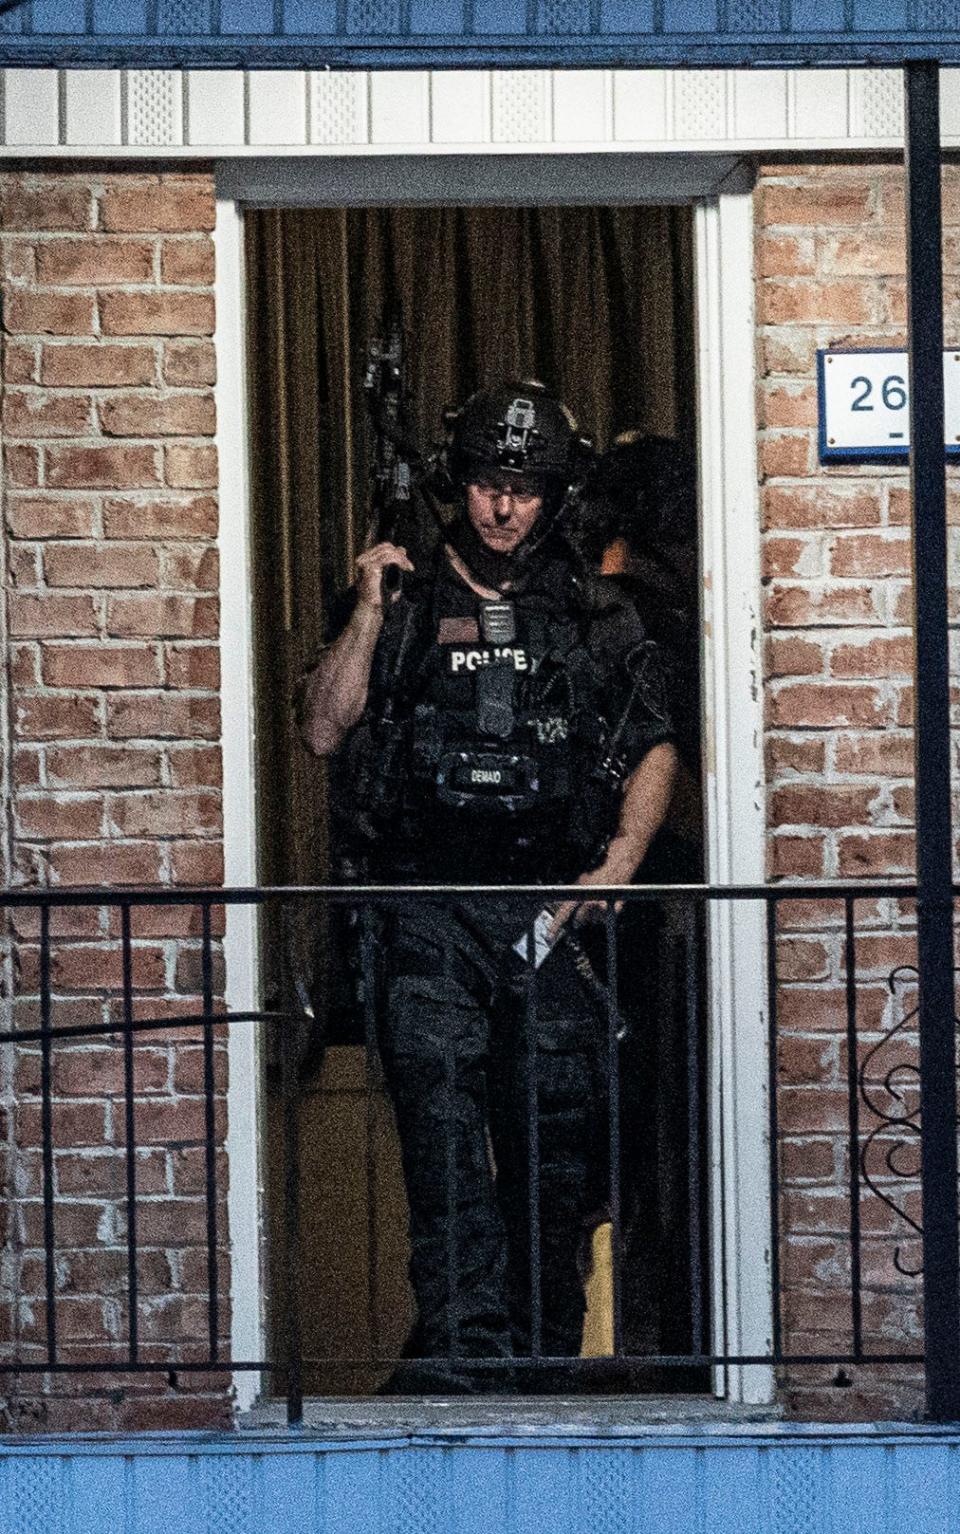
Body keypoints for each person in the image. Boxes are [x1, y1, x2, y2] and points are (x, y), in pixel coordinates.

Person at [298, 381, 678, 1393]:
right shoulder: (406, 599)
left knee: (553, 1155)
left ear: (556, 493)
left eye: (524, 486)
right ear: (453, 483)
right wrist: (371, 615)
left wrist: (622, 860)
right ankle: (467, 1363)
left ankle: (547, 1366)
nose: (503, 506)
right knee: (447, 1148)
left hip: (549, 911)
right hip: (425, 910)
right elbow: (325, 728)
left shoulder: (595, 611)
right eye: (485, 482)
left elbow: (652, 737)